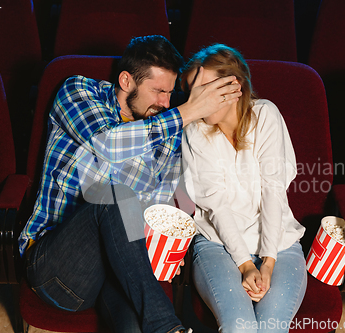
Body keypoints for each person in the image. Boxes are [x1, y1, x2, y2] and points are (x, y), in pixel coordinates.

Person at [18, 35, 242, 333]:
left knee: (135, 325)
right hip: (56, 268)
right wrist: (187, 112)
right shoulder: (79, 92)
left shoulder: (168, 130)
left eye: (171, 93)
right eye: (158, 91)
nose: (166, 102)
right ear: (126, 81)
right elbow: (108, 144)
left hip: (117, 267)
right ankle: (167, 327)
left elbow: (156, 208)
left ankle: (162, 327)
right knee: (116, 196)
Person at [180, 44, 307, 333]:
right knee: (240, 327)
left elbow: (273, 193)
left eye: (203, 89)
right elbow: (217, 207)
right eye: (190, 91)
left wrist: (268, 263)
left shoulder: (266, 115)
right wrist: (245, 265)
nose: (194, 101)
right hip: (217, 245)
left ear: (233, 86)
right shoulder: (194, 130)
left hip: (280, 246)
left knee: (272, 327)